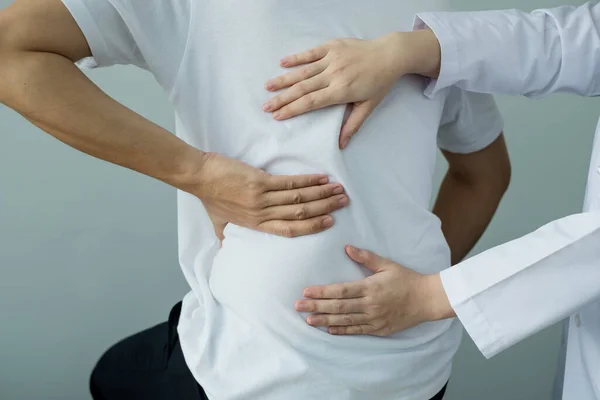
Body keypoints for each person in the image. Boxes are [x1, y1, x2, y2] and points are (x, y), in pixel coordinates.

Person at [0, 1, 511, 399]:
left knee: (112, 376)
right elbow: (483, 175)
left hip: (255, 368)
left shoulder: (433, 26)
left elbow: (9, 50)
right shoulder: (438, 23)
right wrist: (416, 295)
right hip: (413, 363)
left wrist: (199, 174)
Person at [263, 2, 600, 399]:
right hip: (241, 357)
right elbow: (579, 38)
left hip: (399, 369)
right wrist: (410, 50)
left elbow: (483, 175)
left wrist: (432, 295)